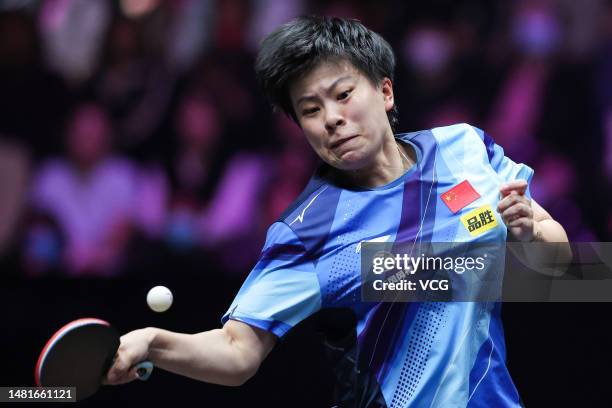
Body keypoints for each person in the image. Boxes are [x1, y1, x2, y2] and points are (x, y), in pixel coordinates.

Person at [106, 16, 569, 407]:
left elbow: (561, 258)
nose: (331, 118)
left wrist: (529, 233)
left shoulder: (465, 148)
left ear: (384, 92)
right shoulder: (308, 231)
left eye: (343, 94)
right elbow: (237, 353)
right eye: (310, 109)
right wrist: (155, 342)